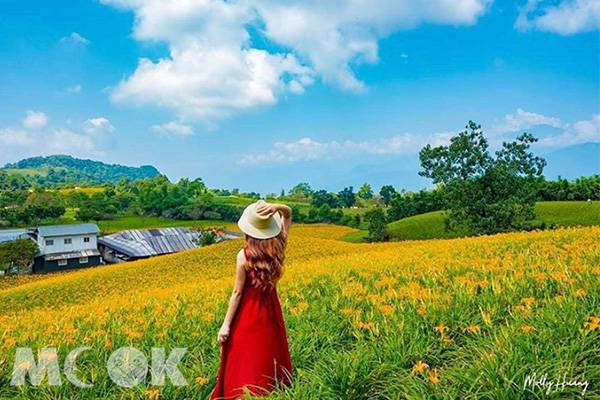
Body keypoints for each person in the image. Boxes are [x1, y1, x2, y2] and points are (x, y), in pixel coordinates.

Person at [210, 200, 293, 399]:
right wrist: (277, 207)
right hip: (271, 309)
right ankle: (271, 389)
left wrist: (226, 325)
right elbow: (288, 215)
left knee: (244, 354)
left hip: (248, 312)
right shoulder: (278, 246)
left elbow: (237, 293)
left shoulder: (244, 255)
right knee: (268, 349)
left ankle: (241, 392)